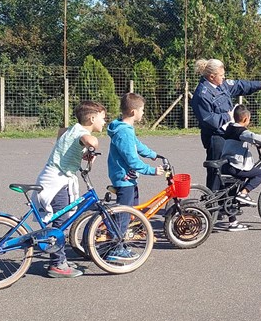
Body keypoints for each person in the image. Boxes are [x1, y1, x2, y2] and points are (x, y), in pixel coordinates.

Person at [33, 100, 106, 278]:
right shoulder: (82, 132)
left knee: (61, 220)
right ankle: (57, 264)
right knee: (60, 223)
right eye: (103, 118)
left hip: (56, 178)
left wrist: (84, 152)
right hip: (57, 181)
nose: (105, 122)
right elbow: (89, 139)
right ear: (92, 118)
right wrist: (93, 145)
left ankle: (61, 258)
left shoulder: (72, 129)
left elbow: (61, 132)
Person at [191, 58, 261, 189]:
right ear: (212, 76)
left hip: (228, 133)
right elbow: (207, 119)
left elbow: (238, 85)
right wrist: (227, 116)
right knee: (216, 171)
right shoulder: (202, 94)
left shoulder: (221, 84)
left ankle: (229, 204)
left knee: (232, 168)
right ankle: (211, 204)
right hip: (216, 137)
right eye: (221, 75)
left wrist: (259, 84)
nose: (224, 78)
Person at [106, 93, 163, 261]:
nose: (143, 113)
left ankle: (122, 237)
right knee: (124, 214)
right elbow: (132, 159)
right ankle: (115, 248)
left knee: (132, 210)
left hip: (127, 178)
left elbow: (137, 145)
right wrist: (152, 170)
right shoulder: (123, 132)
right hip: (124, 179)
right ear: (133, 112)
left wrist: (153, 154)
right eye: (142, 110)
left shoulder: (125, 129)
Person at [220, 105, 261, 231]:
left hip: (226, 164)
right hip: (236, 165)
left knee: (231, 194)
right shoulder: (241, 132)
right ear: (246, 119)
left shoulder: (230, 127)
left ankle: (233, 223)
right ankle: (244, 193)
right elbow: (252, 136)